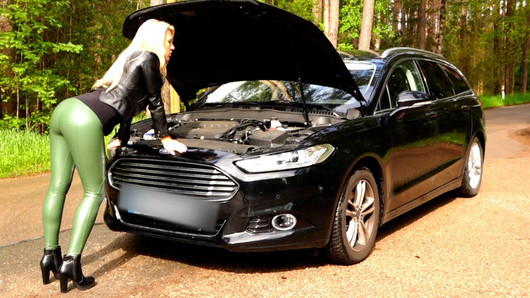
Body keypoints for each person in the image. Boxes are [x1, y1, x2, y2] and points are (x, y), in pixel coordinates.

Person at [40, 19, 187, 293]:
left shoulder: (130, 58)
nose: (172, 47)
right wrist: (165, 138)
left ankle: (50, 255)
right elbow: (155, 102)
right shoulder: (149, 58)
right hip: (85, 118)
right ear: (157, 41)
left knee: (58, 187)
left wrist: (121, 136)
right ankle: (71, 263)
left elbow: (127, 104)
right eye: (169, 41)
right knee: (94, 192)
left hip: (66, 109)